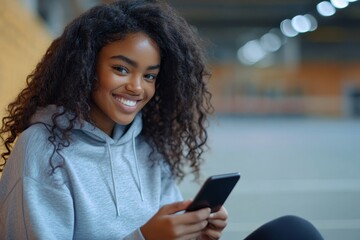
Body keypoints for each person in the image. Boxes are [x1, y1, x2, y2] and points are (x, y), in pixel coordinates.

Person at [0, 0, 324, 239]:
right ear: (85, 67)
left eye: (150, 76)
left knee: (294, 231)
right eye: (121, 69)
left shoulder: (147, 147)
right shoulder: (43, 150)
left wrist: (196, 232)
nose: (137, 87)